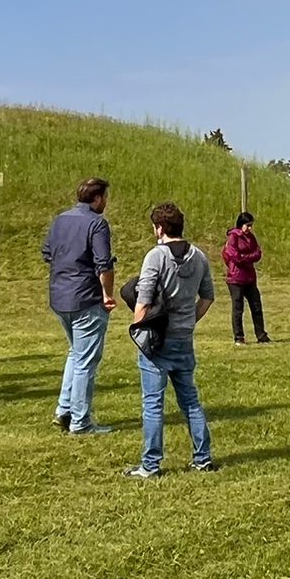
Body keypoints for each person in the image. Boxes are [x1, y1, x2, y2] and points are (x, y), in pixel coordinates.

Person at [125, 201, 218, 478]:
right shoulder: (199, 256)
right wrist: (190, 321)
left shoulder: (156, 257)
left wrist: (138, 329)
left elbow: (143, 300)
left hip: (157, 340)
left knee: (153, 404)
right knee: (190, 399)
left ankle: (150, 465)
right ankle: (203, 458)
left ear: (160, 228)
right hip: (183, 338)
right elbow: (208, 297)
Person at [42, 177, 118, 435]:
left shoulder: (60, 219)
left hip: (60, 296)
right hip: (86, 297)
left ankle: (64, 410)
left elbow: (47, 253)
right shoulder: (97, 223)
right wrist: (107, 293)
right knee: (86, 360)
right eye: (105, 197)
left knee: (76, 354)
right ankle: (80, 421)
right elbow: (104, 264)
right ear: (97, 198)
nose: (106, 202)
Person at [221, 212, 270, 345]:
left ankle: (261, 335)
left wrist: (245, 257)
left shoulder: (251, 238)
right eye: (247, 225)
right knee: (238, 308)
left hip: (249, 278)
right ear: (241, 224)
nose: (249, 229)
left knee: (256, 306)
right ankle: (239, 337)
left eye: (251, 226)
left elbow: (257, 253)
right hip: (236, 278)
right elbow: (234, 256)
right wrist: (247, 257)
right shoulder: (233, 237)